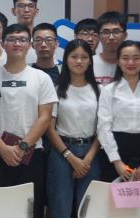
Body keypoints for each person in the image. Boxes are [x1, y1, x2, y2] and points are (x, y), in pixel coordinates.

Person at [0, 24, 57, 218]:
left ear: (30, 45)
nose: (17, 43)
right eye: (12, 39)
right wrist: (1, 146)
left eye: (22, 39)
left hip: (31, 154)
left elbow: (45, 117)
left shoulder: (41, 78)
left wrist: (22, 147)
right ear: (3, 44)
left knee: (30, 210)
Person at [45, 40, 101, 218]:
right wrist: (70, 156)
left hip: (91, 153)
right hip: (62, 152)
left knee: (88, 211)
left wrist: (87, 159)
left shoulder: (99, 91)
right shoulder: (56, 89)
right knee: (61, 209)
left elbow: (103, 129)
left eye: (84, 57)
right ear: (66, 59)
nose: (79, 61)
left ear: (90, 61)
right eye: (74, 56)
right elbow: (50, 129)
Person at [96, 40, 140, 182]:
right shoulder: (108, 91)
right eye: (125, 58)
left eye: (136, 58)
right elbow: (103, 128)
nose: (131, 63)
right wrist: (117, 162)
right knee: (112, 196)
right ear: (118, 61)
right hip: (115, 152)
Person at [93, 11, 127, 85]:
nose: (111, 37)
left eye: (116, 31)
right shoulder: (89, 63)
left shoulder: (133, 64)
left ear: (125, 35)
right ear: (98, 36)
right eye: (106, 32)